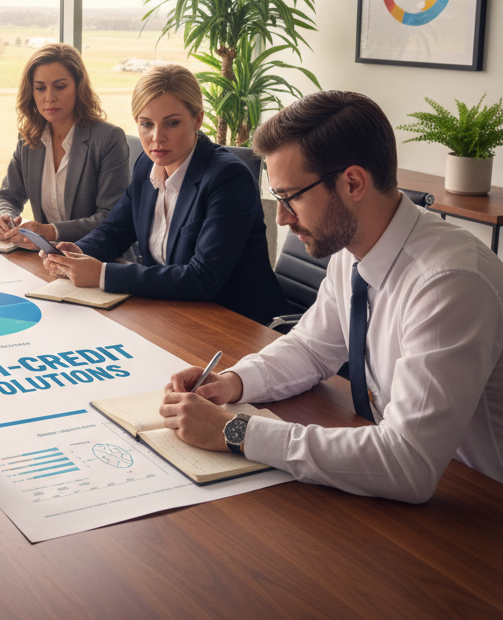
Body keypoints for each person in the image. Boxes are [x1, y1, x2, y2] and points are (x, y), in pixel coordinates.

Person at [160, 90, 503, 502]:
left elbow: (407, 463)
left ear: (353, 182)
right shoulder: (353, 249)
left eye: (291, 198)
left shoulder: (448, 282)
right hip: (404, 484)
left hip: (475, 505)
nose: (283, 218)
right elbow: (311, 348)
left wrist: (235, 431)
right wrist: (231, 383)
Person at [43, 63, 286, 325]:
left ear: (198, 119)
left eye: (171, 123)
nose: (157, 138)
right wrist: (75, 253)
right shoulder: (147, 165)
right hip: (170, 313)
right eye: (146, 124)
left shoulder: (228, 178)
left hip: (235, 323)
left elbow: (202, 278)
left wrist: (102, 274)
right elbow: (114, 231)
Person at [0, 42, 129, 248]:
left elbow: (111, 218)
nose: (49, 97)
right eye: (40, 88)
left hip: (98, 258)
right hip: (47, 257)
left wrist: (52, 231)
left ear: (78, 87)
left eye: (60, 86)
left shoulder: (108, 138)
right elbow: (8, 195)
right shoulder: (29, 139)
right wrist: (2, 217)